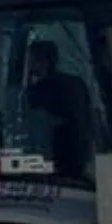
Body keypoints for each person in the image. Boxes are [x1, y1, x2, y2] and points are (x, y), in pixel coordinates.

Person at [23, 39, 93, 179]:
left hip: (59, 156)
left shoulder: (42, 90)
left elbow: (33, 117)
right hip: (81, 155)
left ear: (44, 61)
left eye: (31, 60)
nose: (29, 65)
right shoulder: (76, 84)